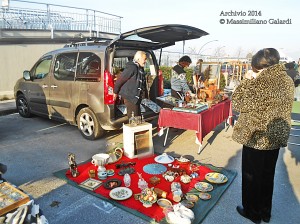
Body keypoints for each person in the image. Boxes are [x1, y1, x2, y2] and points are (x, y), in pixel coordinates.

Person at [232, 48, 294, 224]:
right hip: (275, 136)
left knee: (252, 176)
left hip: (256, 136)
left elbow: (237, 103)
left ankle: (253, 212)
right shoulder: (287, 80)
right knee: (267, 175)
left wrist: (246, 81)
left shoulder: (258, 83)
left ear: (261, 68)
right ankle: (265, 212)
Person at [113, 51, 147, 119]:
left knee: (137, 117)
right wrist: (115, 92)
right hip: (130, 96)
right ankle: (133, 128)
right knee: (133, 119)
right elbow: (120, 80)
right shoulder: (132, 67)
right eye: (144, 59)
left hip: (136, 98)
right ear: (139, 59)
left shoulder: (139, 68)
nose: (145, 61)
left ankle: (137, 128)